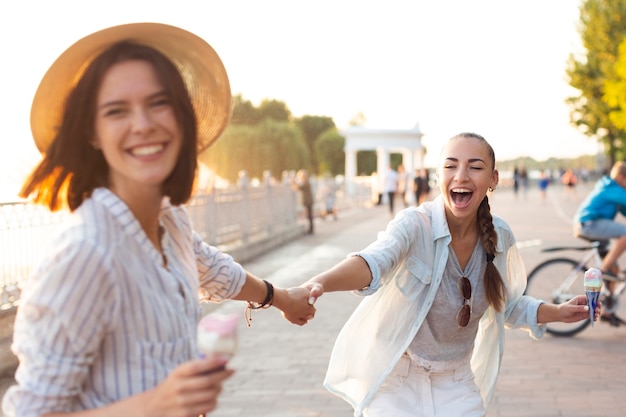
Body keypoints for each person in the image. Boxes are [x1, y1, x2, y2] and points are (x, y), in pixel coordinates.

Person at [2, 23, 315, 417]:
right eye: (117, 111)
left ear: (183, 118)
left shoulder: (170, 220)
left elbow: (212, 269)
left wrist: (282, 298)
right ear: (92, 133)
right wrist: (155, 405)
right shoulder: (84, 254)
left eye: (158, 103)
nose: (143, 123)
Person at [300, 133, 597, 417]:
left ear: (493, 179)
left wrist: (558, 312)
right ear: (438, 175)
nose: (461, 176)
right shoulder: (415, 225)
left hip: (457, 383)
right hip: (395, 382)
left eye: (475, 167)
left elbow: (507, 305)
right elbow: (372, 262)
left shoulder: (500, 236)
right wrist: (320, 283)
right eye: (451, 166)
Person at [573, 161, 626, 326]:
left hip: (588, 224)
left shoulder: (612, 187)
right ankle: (601, 271)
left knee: (615, 270)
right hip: (589, 224)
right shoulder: (613, 189)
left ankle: (607, 311)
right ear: (622, 177)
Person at [292, 169, 315, 234]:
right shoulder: (306, 182)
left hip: (308, 201)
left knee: (309, 216)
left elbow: (297, 188)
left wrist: (293, 182)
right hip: (308, 201)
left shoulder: (306, 182)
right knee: (309, 216)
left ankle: (310, 230)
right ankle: (310, 229)